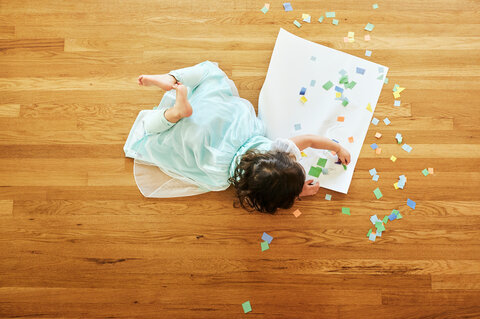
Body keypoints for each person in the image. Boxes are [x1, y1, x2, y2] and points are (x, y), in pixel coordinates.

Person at [124, 61, 351, 214]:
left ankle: (172, 79)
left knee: (210, 73)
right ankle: (173, 115)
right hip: (201, 143)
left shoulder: (276, 148)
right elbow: (271, 197)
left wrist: (336, 147)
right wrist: (298, 192)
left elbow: (309, 139)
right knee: (151, 131)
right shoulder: (226, 181)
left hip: (228, 123)